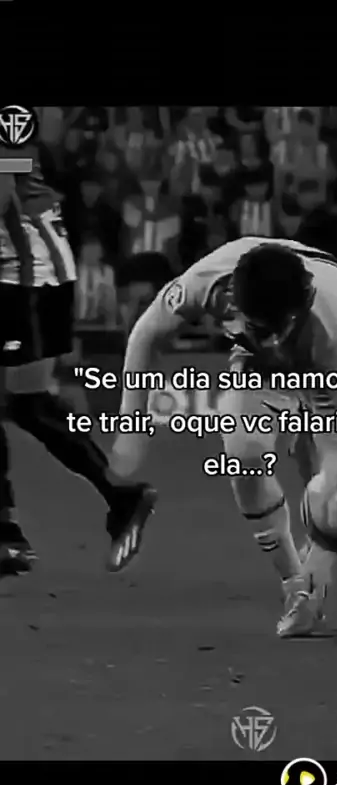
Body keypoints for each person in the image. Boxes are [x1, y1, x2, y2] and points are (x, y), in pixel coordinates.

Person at [110, 238, 337, 638]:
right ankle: (295, 589)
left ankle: (314, 575)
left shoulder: (333, 335)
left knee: (323, 478)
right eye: (262, 329)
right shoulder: (207, 282)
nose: (272, 342)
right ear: (234, 301)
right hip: (262, 354)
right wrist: (131, 425)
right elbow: (145, 334)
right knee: (243, 455)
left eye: (278, 329)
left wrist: (324, 548)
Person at [0, 142, 156, 578]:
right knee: (24, 403)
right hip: (26, 267)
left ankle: (11, 533)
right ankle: (9, 534)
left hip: (28, 272)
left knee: (27, 402)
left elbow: (4, 191)